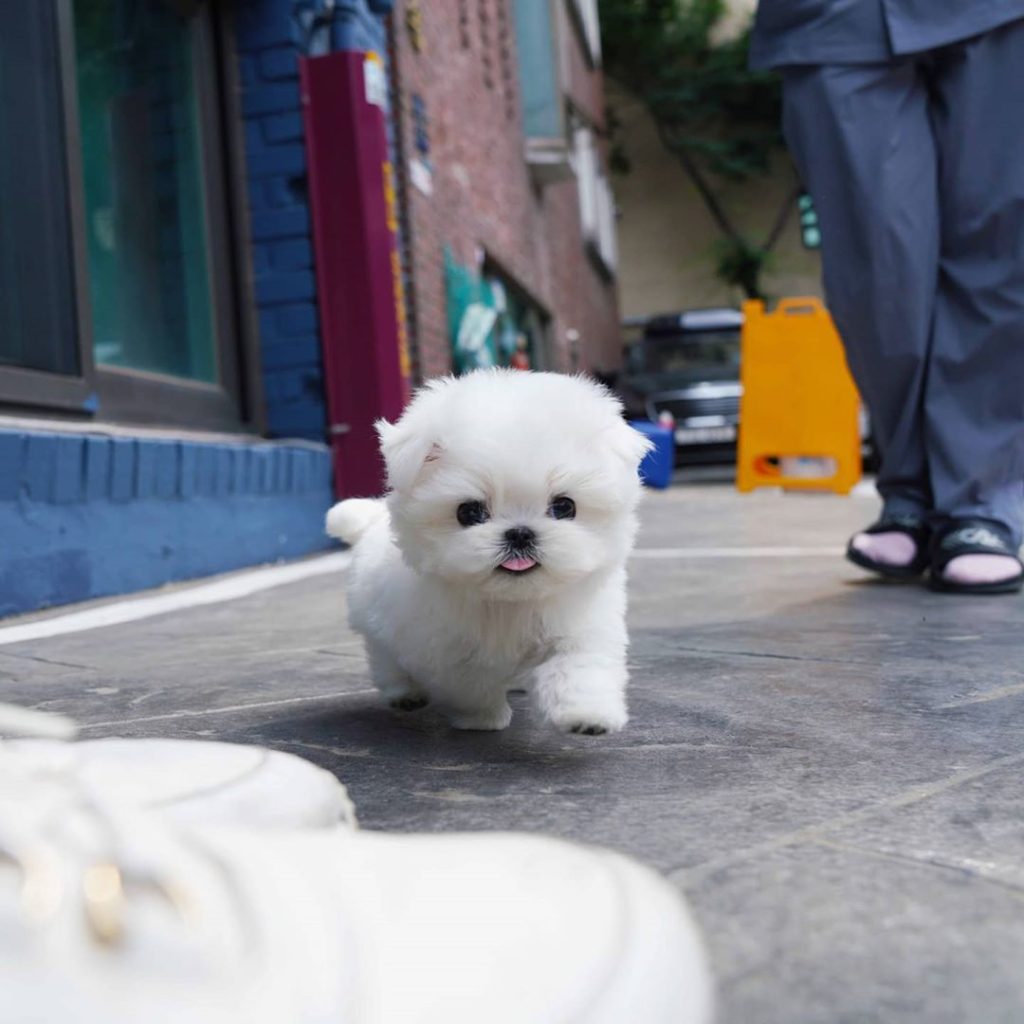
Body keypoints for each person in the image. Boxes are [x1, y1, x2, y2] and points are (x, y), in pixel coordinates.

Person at [750, 1, 1024, 594]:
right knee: (877, 273)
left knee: (1000, 249)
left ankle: (978, 501)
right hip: (830, 16)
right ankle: (911, 487)